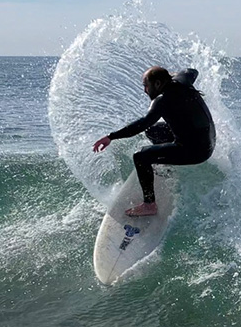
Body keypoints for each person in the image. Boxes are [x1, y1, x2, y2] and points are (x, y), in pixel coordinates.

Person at [92, 67, 215, 217]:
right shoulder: (182, 80)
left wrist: (111, 137)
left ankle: (149, 205)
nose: (144, 90)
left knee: (140, 156)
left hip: (196, 152)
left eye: (146, 85)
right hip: (208, 140)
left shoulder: (162, 100)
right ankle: (167, 163)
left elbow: (142, 123)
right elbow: (193, 71)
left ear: (157, 84)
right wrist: (169, 75)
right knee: (153, 131)